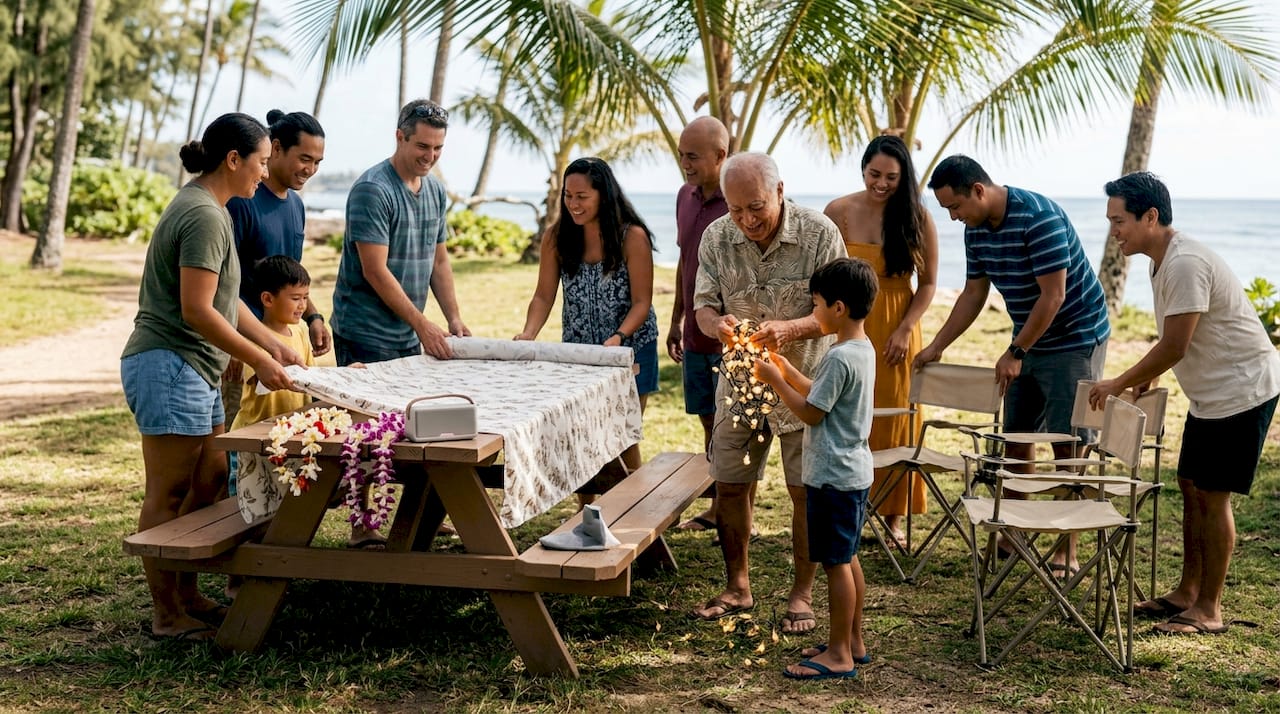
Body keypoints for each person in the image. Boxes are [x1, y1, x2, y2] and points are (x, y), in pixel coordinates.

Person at [120, 113, 299, 641]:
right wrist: (262, 360)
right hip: (169, 364)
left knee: (208, 480)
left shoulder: (214, 210)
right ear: (233, 159)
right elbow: (197, 310)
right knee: (169, 492)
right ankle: (166, 613)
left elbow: (226, 302)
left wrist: (272, 342)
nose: (265, 175)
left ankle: (188, 594)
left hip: (193, 368)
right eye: (262, 163)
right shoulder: (202, 215)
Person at [1088, 171, 1280, 636]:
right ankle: (1187, 592)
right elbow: (1176, 338)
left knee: (1214, 499)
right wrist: (1147, 373)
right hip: (1210, 395)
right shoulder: (1162, 260)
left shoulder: (1185, 263)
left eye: (1120, 220)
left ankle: (1209, 610)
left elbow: (1175, 344)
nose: (1114, 230)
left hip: (1243, 390)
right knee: (1190, 485)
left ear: (1150, 217)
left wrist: (1119, 381)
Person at [917, 154, 1111, 576]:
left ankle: (1068, 545)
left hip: (1076, 336)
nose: (952, 218)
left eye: (955, 207)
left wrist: (1015, 352)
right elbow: (973, 294)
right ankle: (1016, 531)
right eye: (946, 210)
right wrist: (937, 345)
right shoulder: (976, 230)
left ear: (979, 190)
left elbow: (1053, 296)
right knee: (1016, 437)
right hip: (1030, 338)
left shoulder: (1037, 218)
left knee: (1068, 441)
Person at [690, 152, 845, 634]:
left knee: (805, 492)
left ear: (780, 191)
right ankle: (738, 586)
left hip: (806, 381)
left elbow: (840, 311)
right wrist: (717, 324)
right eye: (736, 210)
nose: (746, 220)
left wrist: (792, 329)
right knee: (731, 483)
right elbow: (702, 307)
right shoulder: (718, 235)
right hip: (740, 381)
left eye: (756, 207)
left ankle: (802, 594)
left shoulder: (820, 233)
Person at [330, 98, 471, 547]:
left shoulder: (433, 190)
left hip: (409, 333)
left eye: (438, 149)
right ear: (399, 137)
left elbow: (439, 259)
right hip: (364, 330)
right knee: (365, 433)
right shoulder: (373, 189)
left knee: (416, 431)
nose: (429, 156)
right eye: (422, 147)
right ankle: (362, 526)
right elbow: (375, 270)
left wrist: (452, 317)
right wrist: (422, 324)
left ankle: (418, 517)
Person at [753, 257, 878, 680]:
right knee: (848, 558)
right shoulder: (860, 350)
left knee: (835, 565)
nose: (814, 312)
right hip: (853, 473)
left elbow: (811, 413)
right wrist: (788, 369)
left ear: (838, 308)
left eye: (817, 304)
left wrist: (773, 381)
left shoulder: (840, 357)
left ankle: (839, 654)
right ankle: (853, 641)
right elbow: (825, 395)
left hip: (831, 476)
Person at [515, 157, 659, 492]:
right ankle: (589, 519)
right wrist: (528, 334)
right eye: (568, 195)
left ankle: (634, 513)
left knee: (623, 436)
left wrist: (620, 337)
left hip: (630, 350)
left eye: (582, 196)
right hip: (579, 353)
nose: (573, 204)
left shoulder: (631, 237)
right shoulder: (557, 237)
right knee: (584, 437)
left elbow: (642, 302)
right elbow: (542, 296)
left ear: (603, 196)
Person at [823, 135, 937, 548]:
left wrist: (906, 328)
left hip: (896, 325)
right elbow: (822, 275)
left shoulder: (917, 217)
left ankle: (894, 519)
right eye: (875, 174)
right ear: (863, 169)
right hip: (850, 320)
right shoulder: (838, 211)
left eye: (892, 176)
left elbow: (927, 285)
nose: (882, 183)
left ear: (903, 177)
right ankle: (851, 509)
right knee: (850, 417)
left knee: (894, 421)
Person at [221, 109, 327, 487]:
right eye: (304, 158)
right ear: (276, 148)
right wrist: (236, 347)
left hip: (285, 345)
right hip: (243, 344)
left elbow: (291, 270)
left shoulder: (296, 205)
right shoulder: (243, 202)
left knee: (283, 442)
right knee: (241, 444)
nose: (310, 169)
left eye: (317, 162)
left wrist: (313, 316)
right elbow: (221, 281)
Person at [669, 116, 732, 533]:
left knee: (733, 424)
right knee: (708, 418)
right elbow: (684, 260)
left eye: (692, 156)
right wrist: (677, 317)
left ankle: (731, 507)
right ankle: (717, 506)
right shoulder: (684, 196)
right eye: (681, 155)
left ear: (720, 156)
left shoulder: (740, 199)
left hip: (732, 334)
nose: (685, 163)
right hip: (694, 331)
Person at [229, 255, 317, 523]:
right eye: (295, 298)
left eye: (305, 297)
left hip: (289, 436)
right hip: (254, 437)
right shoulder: (253, 341)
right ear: (267, 299)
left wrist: (347, 375)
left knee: (285, 500)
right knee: (247, 502)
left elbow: (310, 375)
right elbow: (259, 381)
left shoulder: (301, 331)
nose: (303, 305)